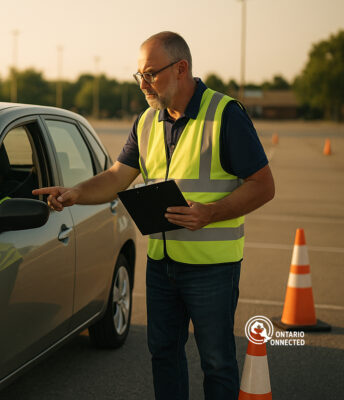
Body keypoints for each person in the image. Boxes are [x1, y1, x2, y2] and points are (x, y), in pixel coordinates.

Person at [33, 31, 274, 400]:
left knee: (217, 362)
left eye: (150, 74)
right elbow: (117, 177)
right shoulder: (147, 121)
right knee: (163, 354)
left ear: (181, 69)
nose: (143, 84)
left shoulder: (225, 115)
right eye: (139, 76)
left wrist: (210, 213)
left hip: (213, 267)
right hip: (162, 264)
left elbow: (263, 184)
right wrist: (76, 193)